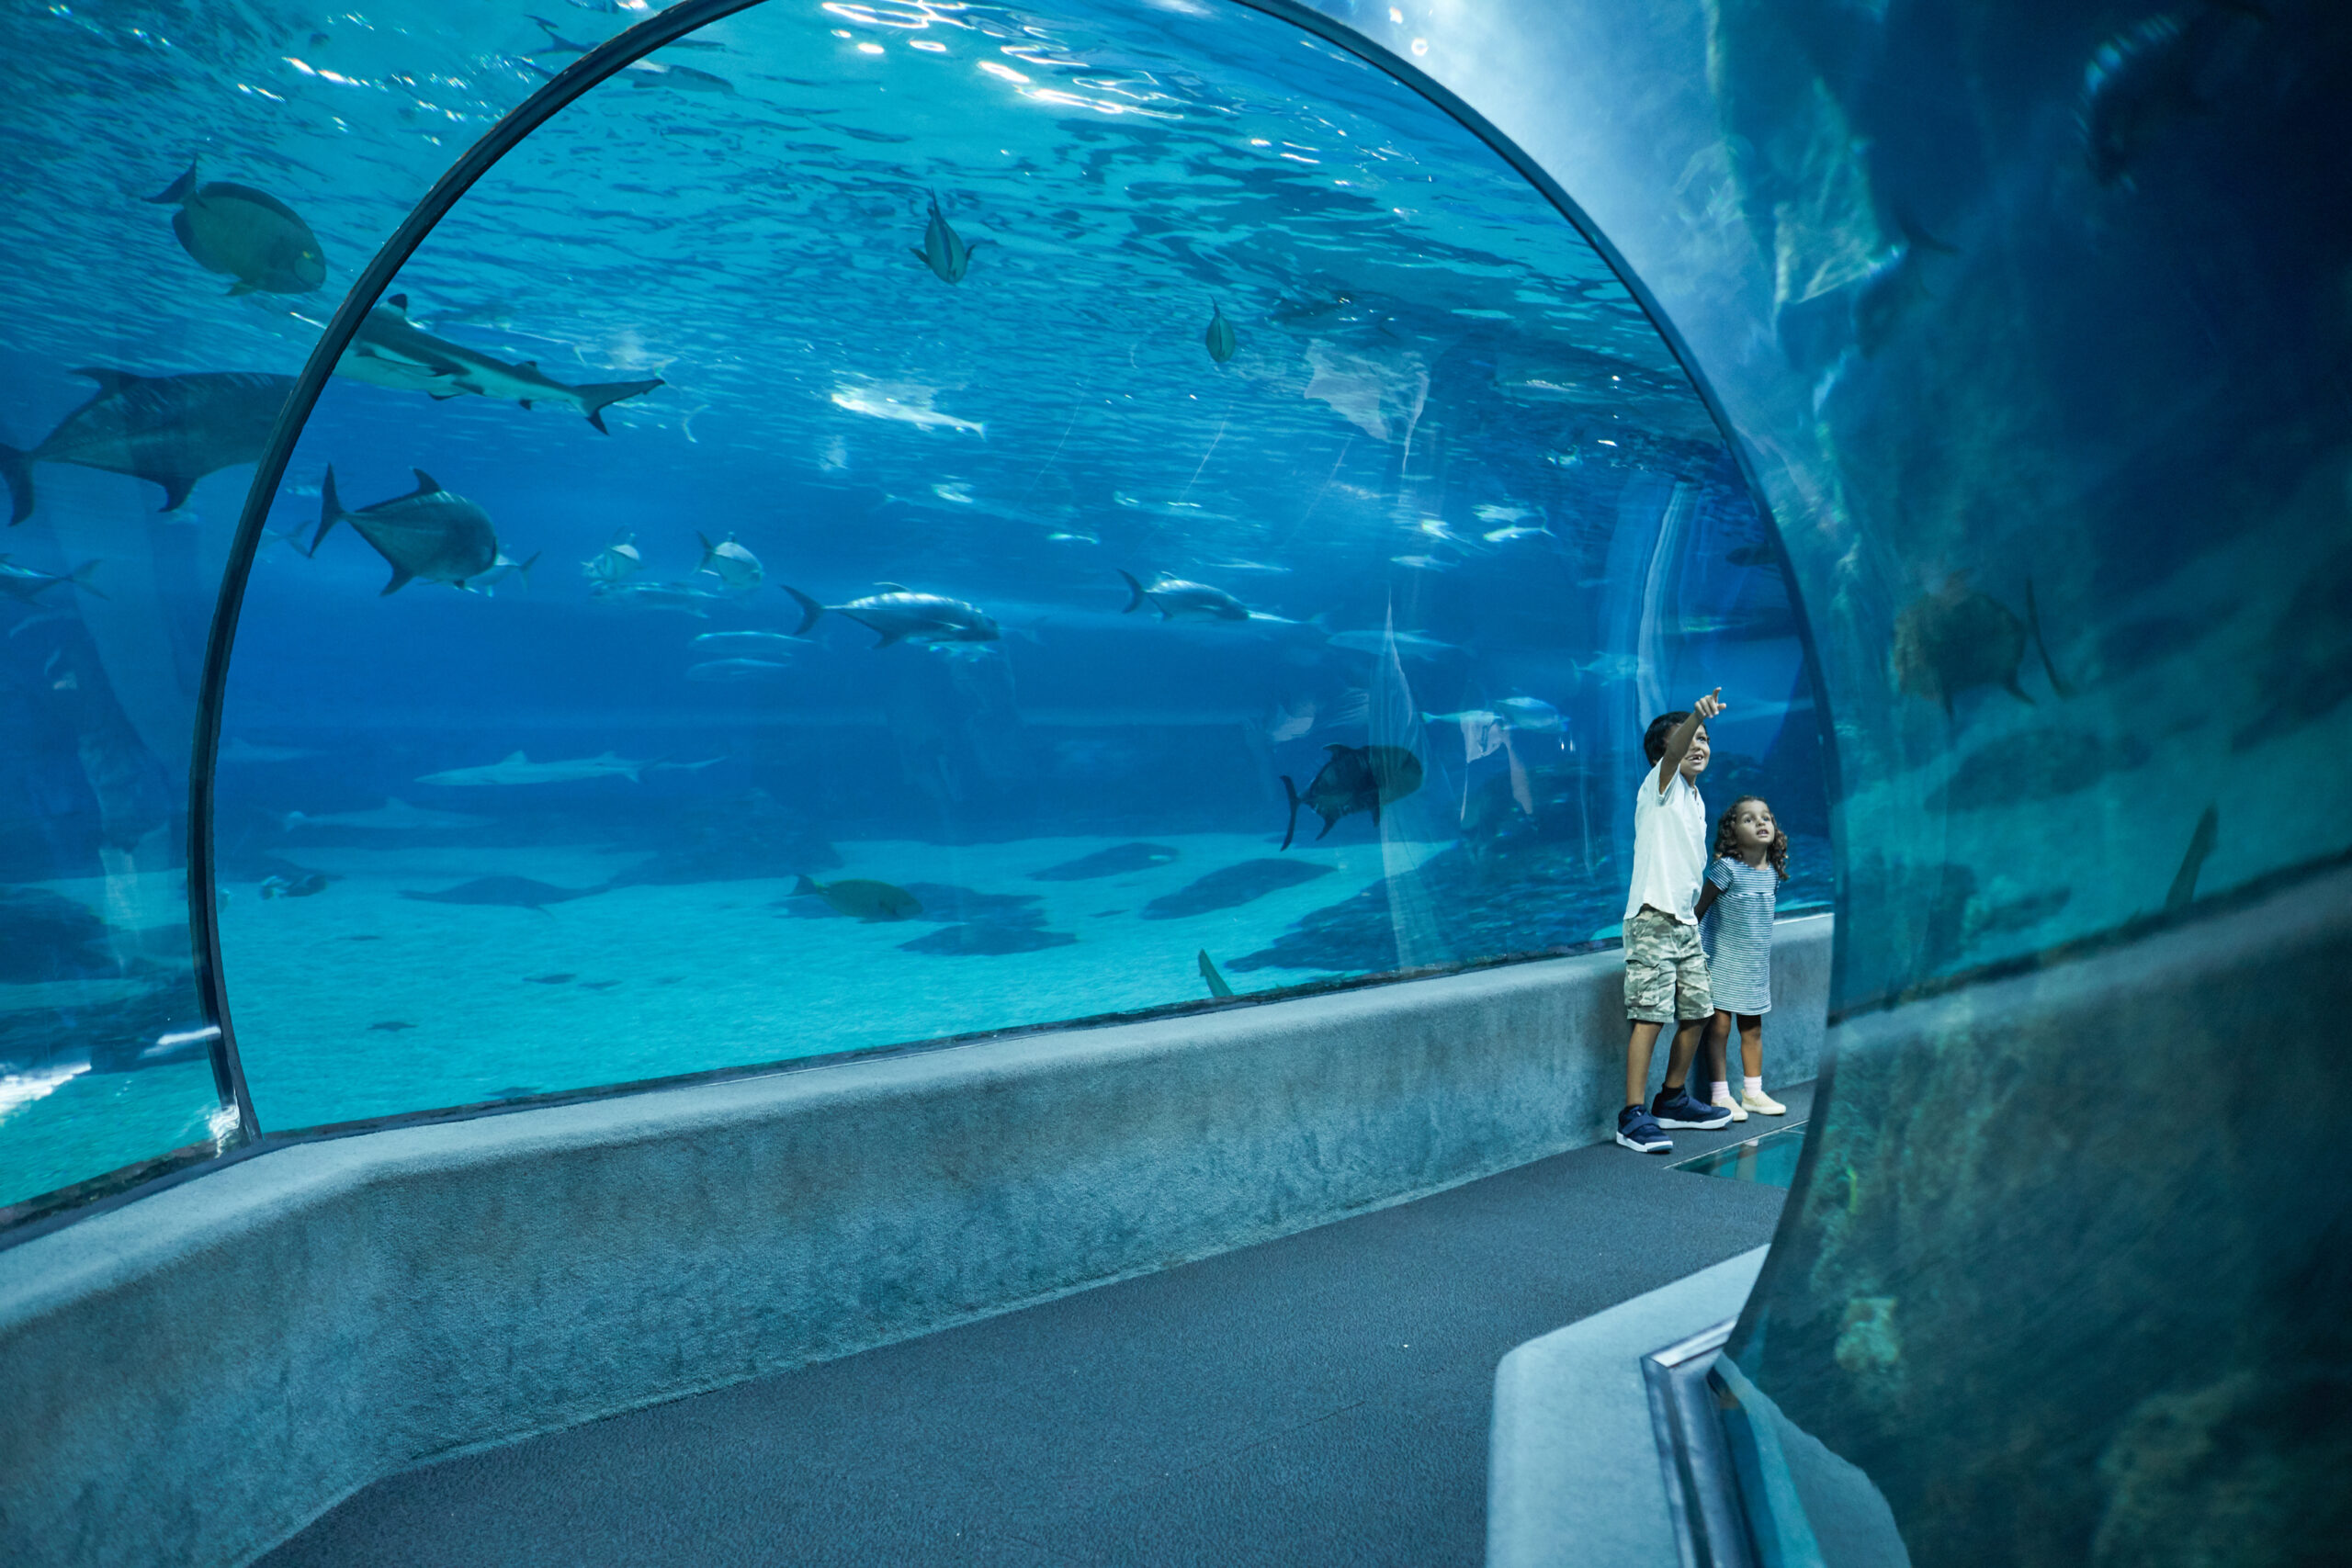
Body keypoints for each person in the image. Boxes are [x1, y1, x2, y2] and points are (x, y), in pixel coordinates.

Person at [1616, 689, 1735, 1154]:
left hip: (1684, 923)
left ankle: (1672, 1099)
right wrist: (1695, 715)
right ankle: (1632, 1115)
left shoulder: (1695, 798)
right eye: (1689, 739)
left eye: (1704, 738)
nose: (1698, 745)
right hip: (1651, 917)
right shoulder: (1658, 786)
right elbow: (1673, 752)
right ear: (1666, 753)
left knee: (1699, 1011)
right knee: (1649, 1016)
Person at [1694, 795, 1791, 1122]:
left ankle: (1752, 1092)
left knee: (1752, 1028)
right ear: (1732, 832)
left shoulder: (1773, 873)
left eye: (1765, 817)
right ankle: (1720, 1094)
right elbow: (1700, 910)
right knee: (1719, 1026)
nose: (1760, 822)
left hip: (1753, 965)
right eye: (1749, 819)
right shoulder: (1726, 869)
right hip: (1722, 960)